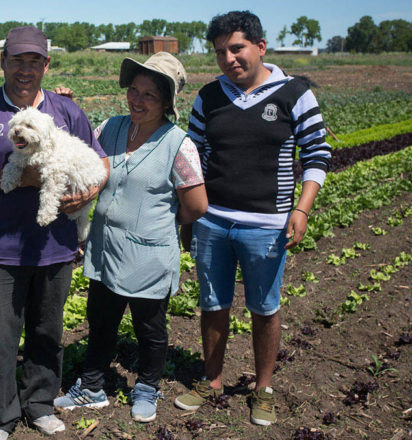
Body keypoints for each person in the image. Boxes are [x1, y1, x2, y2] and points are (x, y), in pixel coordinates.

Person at [173, 11, 332, 426]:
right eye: (220, 52)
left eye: (237, 48)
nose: (229, 58)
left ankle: (263, 389)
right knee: (213, 303)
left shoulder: (294, 94)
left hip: (267, 224)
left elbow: (316, 156)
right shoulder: (209, 97)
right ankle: (211, 381)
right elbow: (192, 160)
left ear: (260, 47)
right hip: (213, 221)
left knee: (264, 307)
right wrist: (190, 218)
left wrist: (301, 209)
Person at [0, 26, 108, 440]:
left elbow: (99, 160)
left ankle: (40, 404)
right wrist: (23, 179)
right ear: (2, 61)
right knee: (0, 334)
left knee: (47, 330)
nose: (25, 69)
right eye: (17, 60)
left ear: (46, 65)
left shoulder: (66, 111)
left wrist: (88, 191)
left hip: (54, 246)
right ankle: (1, 416)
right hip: (1, 246)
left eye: (34, 61)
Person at [53, 52, 207, 423]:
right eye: (133, 91)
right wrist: (67, 109)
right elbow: (82, 153)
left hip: (149, 254)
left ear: (167, 102)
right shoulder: (112, 127)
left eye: (149, 95)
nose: (137, 101)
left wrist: (159, 219)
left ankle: (147, 387)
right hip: (105, 247)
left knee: (149, 327)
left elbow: (197, 205)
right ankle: (91, 387)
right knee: (101, 320)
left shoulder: (178, 143)